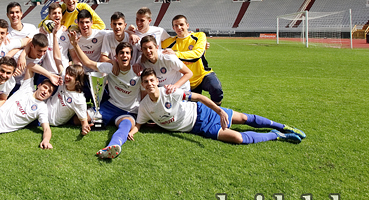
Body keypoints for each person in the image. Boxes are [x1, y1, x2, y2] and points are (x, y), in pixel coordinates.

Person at [129, 68, 306, 145]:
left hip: (202, 112)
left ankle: (282, 126)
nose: (150, 83)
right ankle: (276, 135)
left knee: (243, 118)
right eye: (146, 82)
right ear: (143, 85)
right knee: (238, 138)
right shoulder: (145, 106)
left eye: (152, 80)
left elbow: (198, 97)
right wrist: (132, 132)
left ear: (156, 81)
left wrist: (220, 111)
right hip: (198, 128)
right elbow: (139, 123)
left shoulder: (170, 92)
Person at [69, 31, 141, 159]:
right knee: (76, 120)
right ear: (116, 56)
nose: (124, 56)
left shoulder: (137, 72)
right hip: (109, 107)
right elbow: (87, 62)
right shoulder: (110, 67)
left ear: (131, 56)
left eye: (127, 53)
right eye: (121, 53)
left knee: (126, 126)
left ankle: (113, 146)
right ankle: (100, 123)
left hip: (128, 111)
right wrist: (75, 45)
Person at [161, 14, 223, 105]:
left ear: (187, 25)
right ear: (173, 28)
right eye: (176, 25)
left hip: (202, 75)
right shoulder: (168, 42)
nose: (179, 27)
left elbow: (197, 54)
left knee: (216, 88)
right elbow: (153, 46)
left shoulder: (199, 36)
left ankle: (217, 111)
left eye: (181, 24)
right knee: (193, 106)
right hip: (185, 80)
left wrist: (176, 54)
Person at [39, 0, 105, 31]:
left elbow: (101, 25)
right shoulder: (60, 9)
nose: (70, 1)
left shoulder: (84, 7)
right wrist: (46, 25)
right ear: (63, 0)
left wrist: (79, 28)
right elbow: (41, 24)